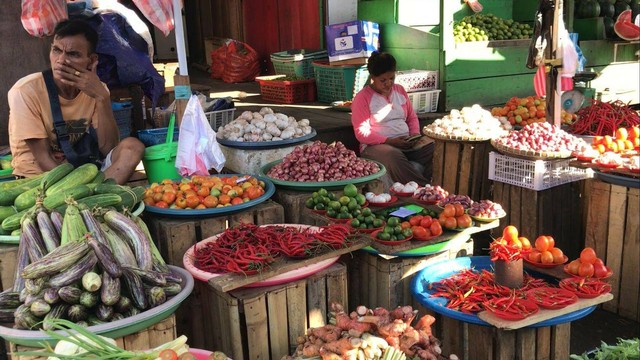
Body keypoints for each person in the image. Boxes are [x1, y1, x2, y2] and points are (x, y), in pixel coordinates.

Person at [8, 19, 145, 185]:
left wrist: (102, 98)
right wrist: (79, 188)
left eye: (73, 54)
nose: (61, 60)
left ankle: (98, 195)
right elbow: (44, 158)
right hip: (40, 179)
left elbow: (108, 148)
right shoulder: (25, 90)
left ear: (91, 60)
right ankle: (95, 198)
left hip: (78, 171)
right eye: (56, 50)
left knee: (133, 147)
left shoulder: (97, 90)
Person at [351, 51, 434, 185]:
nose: (388, 84)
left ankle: (430, 181)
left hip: (406, 141)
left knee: (434, 148)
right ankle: (422, 188)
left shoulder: (400, 90)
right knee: (392, 156)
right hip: (377, 146)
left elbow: (411, 117)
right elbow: (362, 132)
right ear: (373, 77)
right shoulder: (363, 97)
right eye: (383, 80)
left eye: (391, 78)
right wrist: (389, 141)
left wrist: (414, 136)